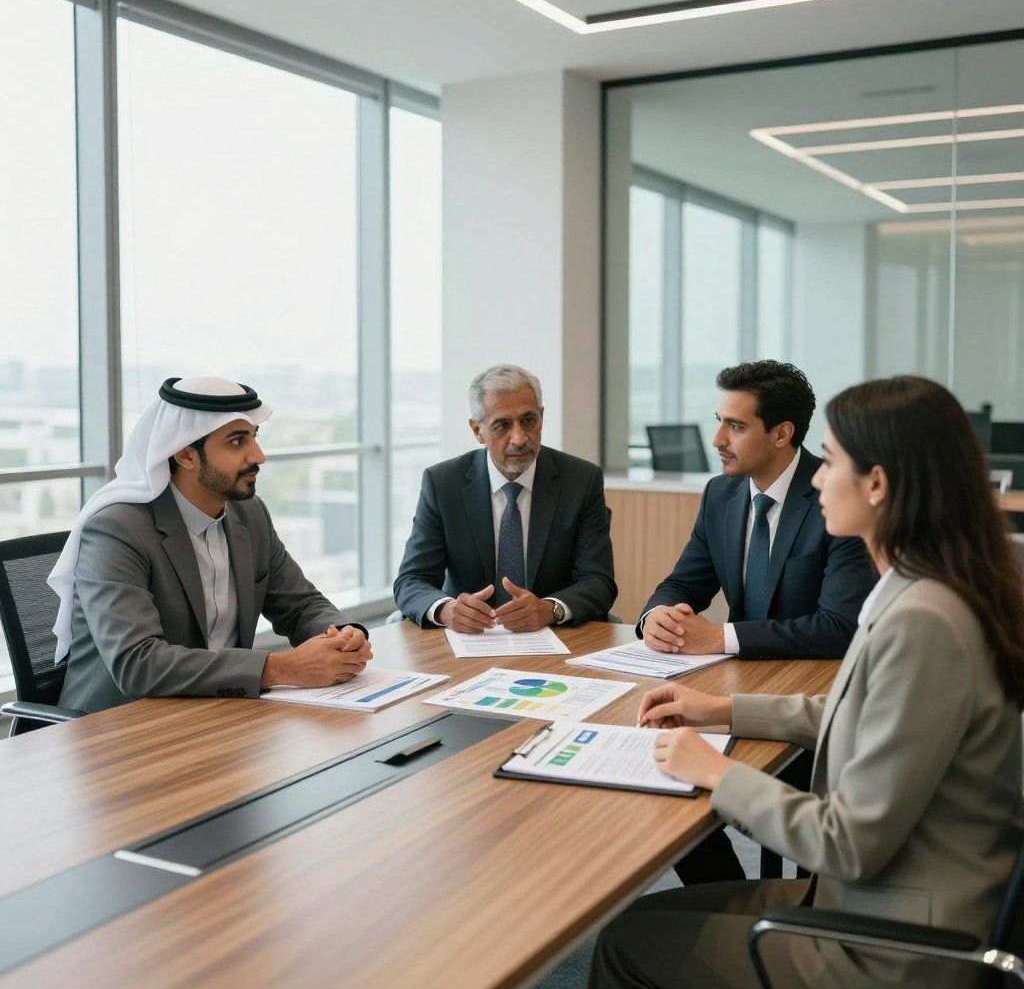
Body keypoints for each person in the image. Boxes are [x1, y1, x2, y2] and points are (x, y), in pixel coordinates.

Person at [589, 375, 1024, 989]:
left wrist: (714, 770)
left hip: (896, 941)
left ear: (878, 484)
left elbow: (846, 843)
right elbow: (856, 711)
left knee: (626, 942)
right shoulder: (921, 586)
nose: (817, 476)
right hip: (878, 897)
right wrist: (720, 711)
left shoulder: (926, 621)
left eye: (835, 461)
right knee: (646, 916)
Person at [639, 361, 876, 885]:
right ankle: (725, 900)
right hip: (740, 693)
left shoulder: (835, 499)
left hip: (806, 705)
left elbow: (838, 625)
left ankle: (745, 925)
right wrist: (656, 615)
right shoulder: (721, 494)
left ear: (782, 433)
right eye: (719, 421)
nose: (718, 438)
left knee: (685, 777)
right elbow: (683, 584)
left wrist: (719, 636)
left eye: (736, 426)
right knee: (660, 772)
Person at [52, 377, 372, 713]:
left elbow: (300, 605)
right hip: (118, 728)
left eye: (254, 438)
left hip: (215, 710)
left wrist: (343, 636)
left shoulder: (249, 514)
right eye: (236, 442)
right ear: (186, 454)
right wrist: (282, 668)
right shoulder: (117, 530)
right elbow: (138, 663)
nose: (258, 456)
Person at [393, 364, 616, 632]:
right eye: (502, 425)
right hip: (470, 641)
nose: (520, 438)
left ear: (542, 418)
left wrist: (549, 609)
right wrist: (446, 610)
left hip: (554, 639)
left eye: (529, 420)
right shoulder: (443, 484)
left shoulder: (580, 480)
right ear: (477, 430)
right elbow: (411, 580)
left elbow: (599, 582)